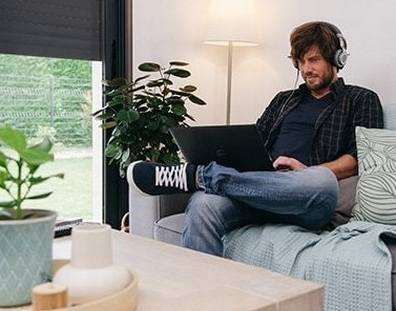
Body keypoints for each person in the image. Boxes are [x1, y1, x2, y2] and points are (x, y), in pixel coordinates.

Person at [127, 21, 384, 256]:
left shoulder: (360, 99)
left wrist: (305, 171)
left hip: (306, 198)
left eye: (314, 60)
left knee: (321, 180)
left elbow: (362, 158)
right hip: (257, 190)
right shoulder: (283, 100)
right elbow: (252, 143)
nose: (306, 69)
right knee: (203, 203)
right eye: (300, 62)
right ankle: (204, 298)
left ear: (337, 58)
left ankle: (200, 176)